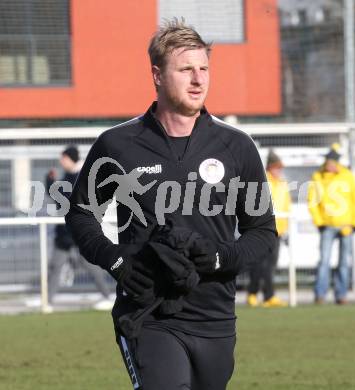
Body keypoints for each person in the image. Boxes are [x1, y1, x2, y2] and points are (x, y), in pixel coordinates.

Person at [65, 19, 276, 390]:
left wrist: (218, 258)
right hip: (148, 314)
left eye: (204, 69)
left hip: (215, 317)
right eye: (186, 70)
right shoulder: (117, 145)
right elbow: (82, 216)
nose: (198, 80)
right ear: (157, 75)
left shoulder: (237, 146)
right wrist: (118, 261)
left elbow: (262, 231)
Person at [46, 146, 113, 311]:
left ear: (71, 158)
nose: (61, 162)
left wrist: (53, 186)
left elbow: (67, 200)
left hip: (79, 230)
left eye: (64, 158)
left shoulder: (82, 175)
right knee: (55, 266)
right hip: (64, 234)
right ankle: (47, 302)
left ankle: (107, 296)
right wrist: (50, 183)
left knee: (90, 266)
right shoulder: (67, 176)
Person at [308, 143, 355, 304]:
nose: (330, 165)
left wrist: (354, 224)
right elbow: (313, 201)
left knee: (343, 263)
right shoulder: (318, 176)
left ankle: (341, 295)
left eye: (332, 162)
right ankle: (320, 294)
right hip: (327, 226)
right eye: (328, 162)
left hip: (346, 226)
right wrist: (319, 223)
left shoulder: (347, 176)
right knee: (324, 261)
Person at [247, 149, 290, 307]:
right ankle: (254, 294)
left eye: (280, 167)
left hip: (278, 230)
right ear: (270, 167)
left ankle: (268, 296)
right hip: (263, 229)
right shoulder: (263, 181)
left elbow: (286, 206)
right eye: (277, 167)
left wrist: (286, 228)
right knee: (260, 264)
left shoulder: (282, 183)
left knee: (271, 264)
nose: (279, 170)